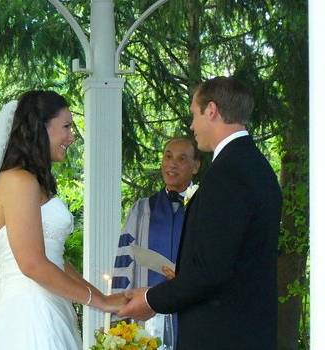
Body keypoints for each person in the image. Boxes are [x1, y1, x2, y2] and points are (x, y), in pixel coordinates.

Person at [118, 77, 283, 350]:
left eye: (195, 114)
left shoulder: (228, 174)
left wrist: (150, 300)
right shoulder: (256, 167)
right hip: (249, 330)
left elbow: (209, 271)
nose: (192, 126)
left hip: (222, 335)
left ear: (212, 110)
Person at [0, 90, 125, 349]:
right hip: (28, 313)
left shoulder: (34, 183)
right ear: (40, 128)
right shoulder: (17, 181)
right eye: (66, 127)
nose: (72, 136)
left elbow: (54, 259)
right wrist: (100, 302)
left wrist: (102, 296)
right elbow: (33, 264)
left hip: (50, 305)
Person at [111, 137, 200, 345]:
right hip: (147, 320)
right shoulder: (141, 210)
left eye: (182, 158)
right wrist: (119, 320)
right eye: (168, 156)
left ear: (196, 166)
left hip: (192, 314)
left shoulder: (205, 208)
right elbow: (124, 266)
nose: (172, 164)